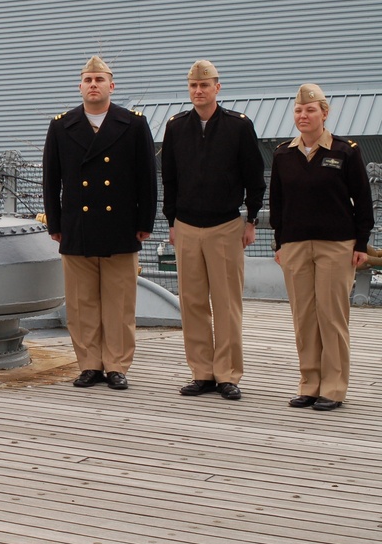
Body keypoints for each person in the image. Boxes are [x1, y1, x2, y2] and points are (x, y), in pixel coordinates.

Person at [42, 55, 157, 391]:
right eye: (88, 80)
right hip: (77, 226)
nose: (93, 85)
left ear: (111, 85)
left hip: (120, 225)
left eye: (99, 79)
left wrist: (145, 221)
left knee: (120, 302)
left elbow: (146, 178)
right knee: (81, 302)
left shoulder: (133, 124)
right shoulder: (62, 125)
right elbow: (52, 180)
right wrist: (55, 223)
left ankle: (117, 365)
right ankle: (90, 364)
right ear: (80, 86)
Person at [161, 60, 265, 401]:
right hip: (187, 226)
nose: (198, 91)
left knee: (226, 304)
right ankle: (201, 372)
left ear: (217, 88)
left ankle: (228, 374)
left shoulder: (238, 126)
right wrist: (171, 221)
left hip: (225, 226)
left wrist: (250, 220)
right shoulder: (176, 127)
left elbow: (254, 176)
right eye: (193, 86)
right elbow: (170, 179)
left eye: (204, 85)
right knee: (191, 303)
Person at [270, 83, 373, 412]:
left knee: (331, 317)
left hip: (336, 245)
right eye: (299, 110)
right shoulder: (284, 154)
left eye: (310, 110)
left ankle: (333, 387)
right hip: (296, 245)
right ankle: (309, 384)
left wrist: (361, 243)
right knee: (304, 317)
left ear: (324, 114)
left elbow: (364, 202)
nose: (303, 115)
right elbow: (278, 204)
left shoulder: (345, 152)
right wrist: (279, 242)